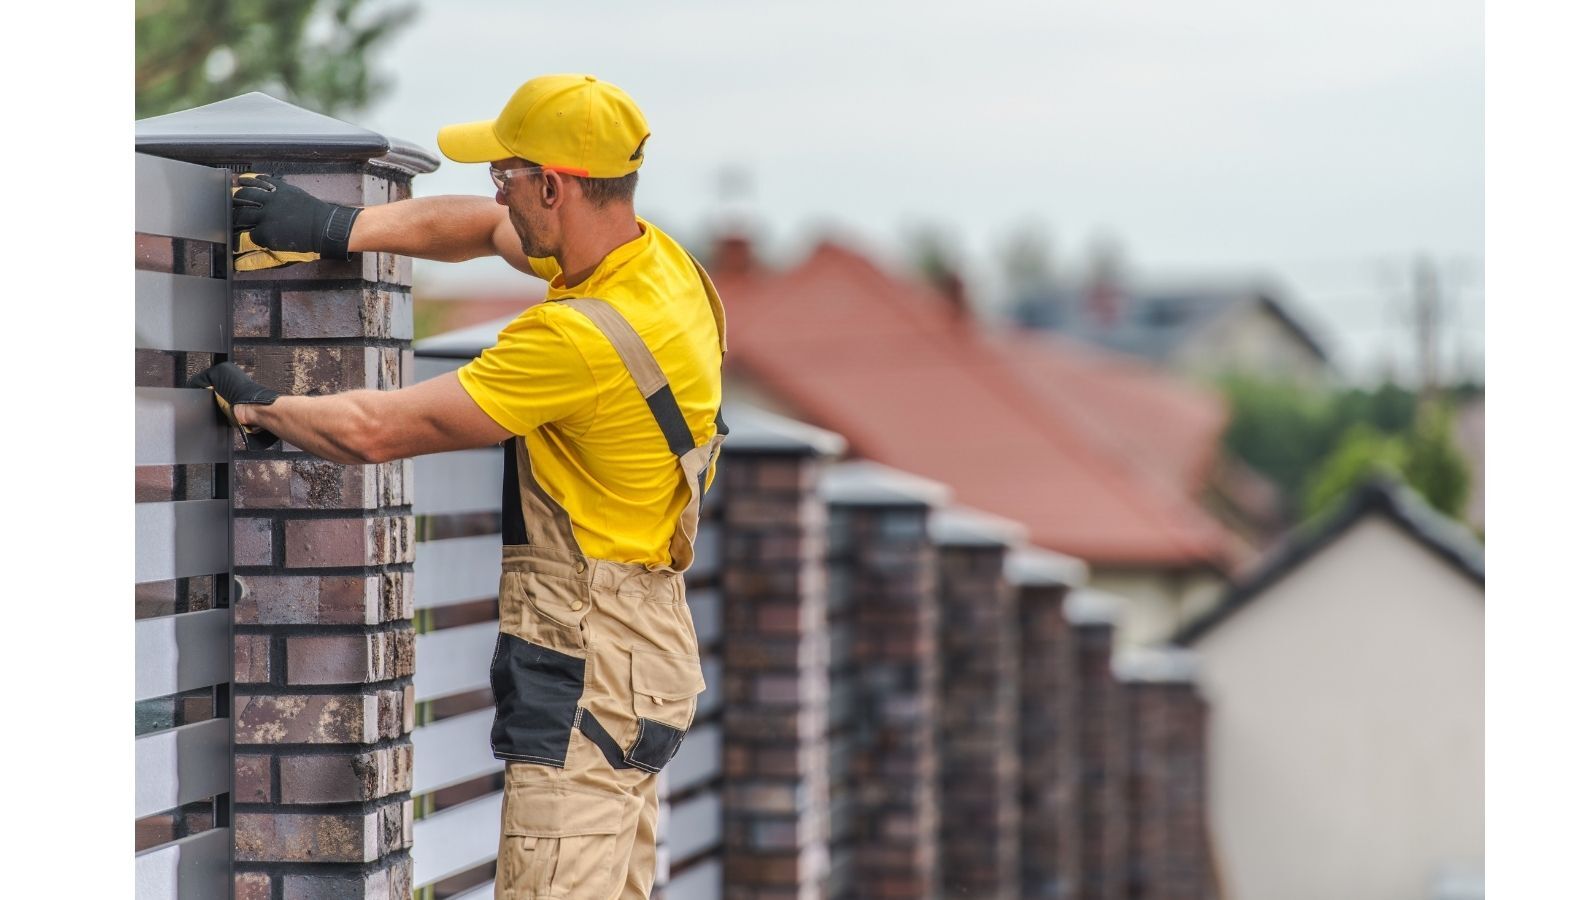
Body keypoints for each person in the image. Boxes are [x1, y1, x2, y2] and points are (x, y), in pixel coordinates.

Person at [193, 74, 726, 900]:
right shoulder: (658, 270)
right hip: (643, 653)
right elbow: (483, 231)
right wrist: (338, 226)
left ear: (554, 185)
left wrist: (266, 407)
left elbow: (380, 430)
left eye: (504, 176)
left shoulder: (574, 340)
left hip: (585, 654)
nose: (496, 194)